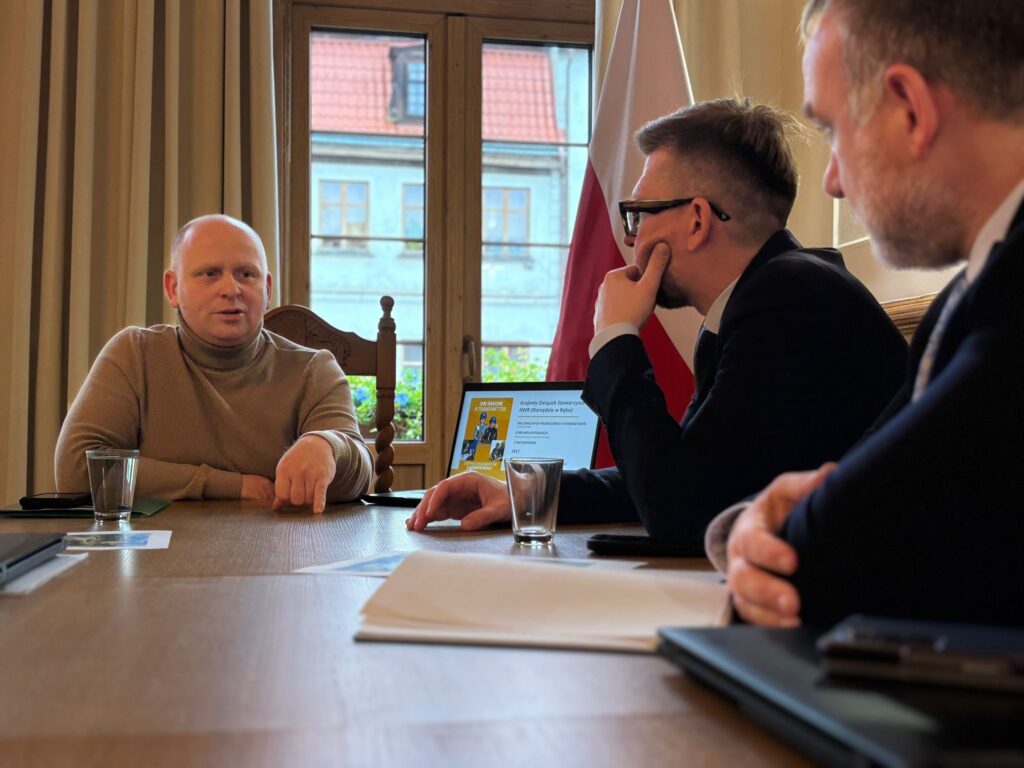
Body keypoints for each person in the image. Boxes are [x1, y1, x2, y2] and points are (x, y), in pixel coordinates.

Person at [408, 99, 907, 543]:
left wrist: (616, 337)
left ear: (697, 221)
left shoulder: (789, 300)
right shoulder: (771, 294)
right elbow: (685, 476)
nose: (631, 238)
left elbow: (681, 507)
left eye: (640, 213)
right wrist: (524, 493)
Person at [717, 0, 1024, 628]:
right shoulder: (966, 296)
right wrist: (755, 526)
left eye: (833, 130)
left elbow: (841, 549)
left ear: (911, 110)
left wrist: (762, 535)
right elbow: (856, 492)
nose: (832, 180)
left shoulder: (1009, 297)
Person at [55, 214, 373, 512]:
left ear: (267, 290)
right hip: (160, 549)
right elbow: (77, 470)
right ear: (173, 289)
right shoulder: (134, 355)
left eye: (246, 274)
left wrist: (328, 445)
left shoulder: (313, 370)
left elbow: (361, 476)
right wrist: (232, 485)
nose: (230, 289)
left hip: (278, 546)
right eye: (210, 274)